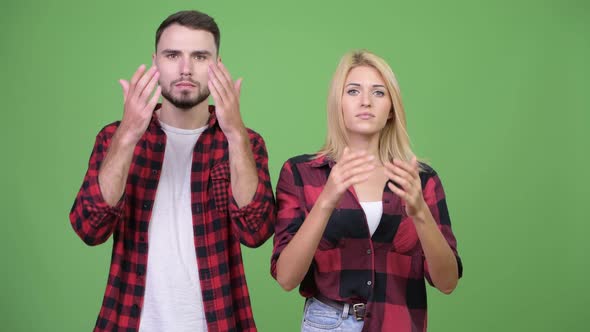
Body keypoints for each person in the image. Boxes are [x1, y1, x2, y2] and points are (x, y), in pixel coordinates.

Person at [70, 10, 275, 331]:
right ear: (156, 62)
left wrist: (235, 133)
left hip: (220, 322)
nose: (185, 68)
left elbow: (256, 232)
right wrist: (127, 136)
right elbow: (89, 229)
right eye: (172, 55)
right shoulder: (114, 137)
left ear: (217, 65)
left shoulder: (246, 142)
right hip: (128, 321)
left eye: (200, 56)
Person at [271, 50, 462, 331]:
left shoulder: (420, 180)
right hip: (327, 323)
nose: (365, 101)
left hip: (400, 323)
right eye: (353, 91)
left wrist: (420, 213)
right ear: (338, 104)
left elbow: (447, 283)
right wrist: (327, 201)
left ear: (391, 109)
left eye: (378, 93)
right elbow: (287, 278)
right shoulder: (300, 173)